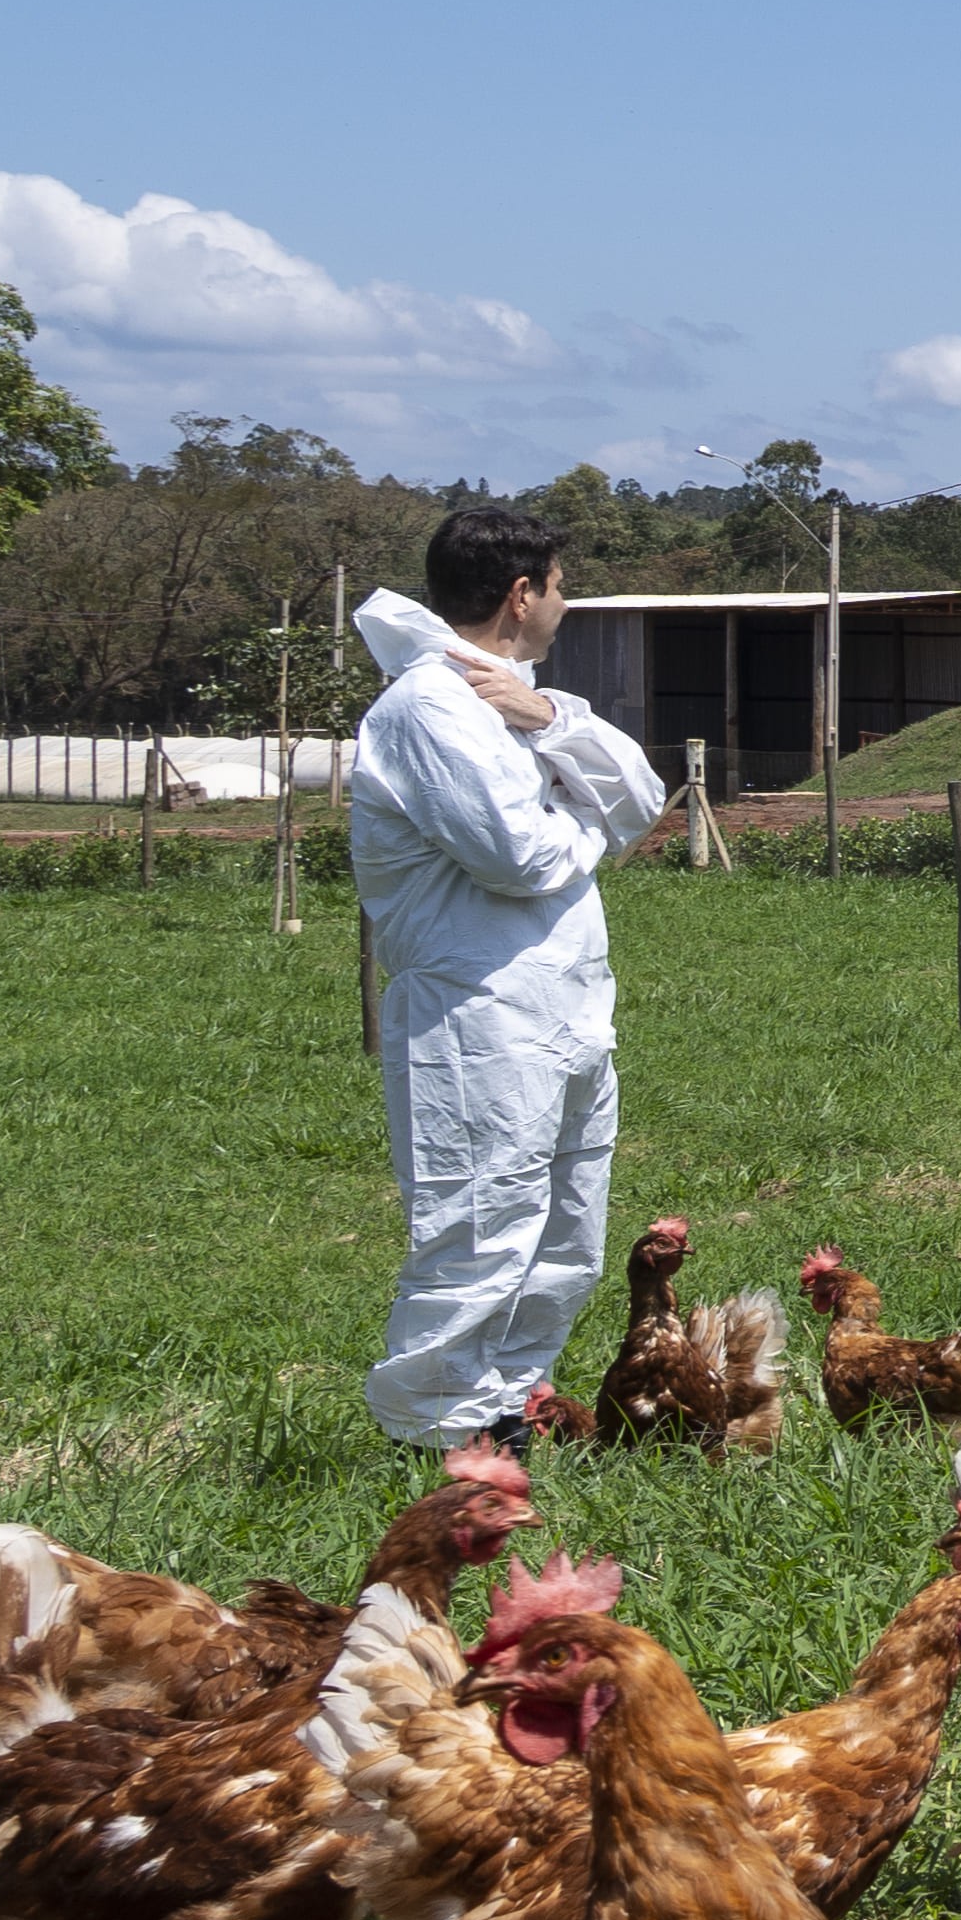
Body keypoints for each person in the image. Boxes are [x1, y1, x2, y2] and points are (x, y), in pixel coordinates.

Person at [350, 504, 667, 1458]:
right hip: (475, 1008)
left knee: (566, 1226)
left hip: (567, 1003)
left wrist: (554, 719)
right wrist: (587, 824)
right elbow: (518, 855)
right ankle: (433, 1431)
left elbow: (642, 797)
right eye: (562, 586)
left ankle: (509, 1406)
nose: (566, 604)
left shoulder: (517, 701)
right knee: (481, 1219)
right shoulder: (424, 708)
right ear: (521, 594)